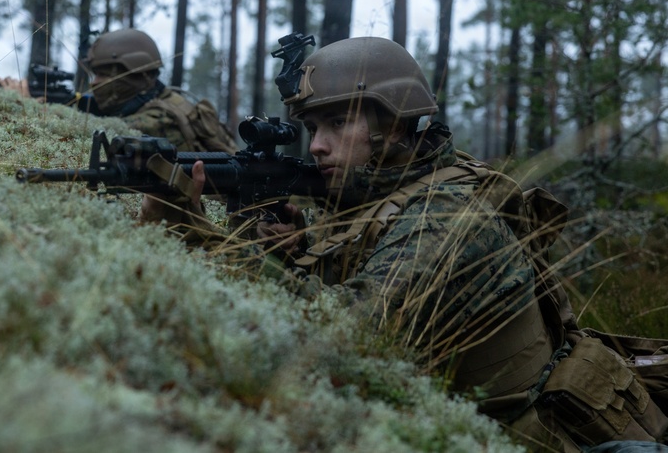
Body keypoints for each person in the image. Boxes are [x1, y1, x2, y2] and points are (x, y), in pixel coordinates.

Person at [140, 36, 668, 453]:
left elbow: (344, 341)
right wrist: (296, 249)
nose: (317, 144)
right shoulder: (384, 191)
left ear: (393, 125)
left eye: (338, 123)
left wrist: (202, 236)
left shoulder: (447, 216)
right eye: (312, 127)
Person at [0, 28, 237, 153]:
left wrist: (26, 107)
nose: (94, 82)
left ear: (137, 73)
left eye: (103, 74)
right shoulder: (165, 99)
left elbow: (94, 135)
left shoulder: (160, 120)